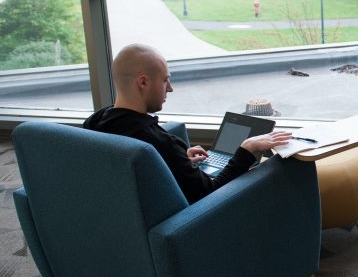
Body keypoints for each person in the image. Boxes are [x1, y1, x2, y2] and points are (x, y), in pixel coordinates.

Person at [83, 43, 292, 204]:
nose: (170, 88)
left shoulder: (94, 124)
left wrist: (175, 163)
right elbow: (209, 193)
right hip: (189, 225)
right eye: (165, 80)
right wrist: (246, 150)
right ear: (143, 82)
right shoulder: (159, 143)